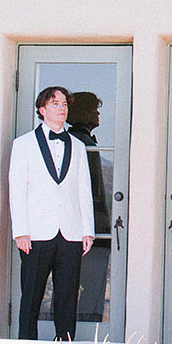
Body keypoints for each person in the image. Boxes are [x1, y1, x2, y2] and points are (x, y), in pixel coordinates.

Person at [9, 85, 95, 341]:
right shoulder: (23, 144)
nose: (62, 108)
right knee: (32, 295)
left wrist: (87, 230)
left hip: (70, 232)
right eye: (55, 103)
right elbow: (17, 190)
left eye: (65, 104)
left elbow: (84, 189)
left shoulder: (78, 146)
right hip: (35, 232)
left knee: (67, 295)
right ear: (42, 109)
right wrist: (21, 231)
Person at [66, 91, 110, 323]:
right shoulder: (79, 143)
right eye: (94, 108)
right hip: (90, 226)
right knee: (90, 284)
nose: (98, 113)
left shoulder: (84, 141)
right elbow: (90, 191)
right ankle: (86, 323)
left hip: (92, 224)